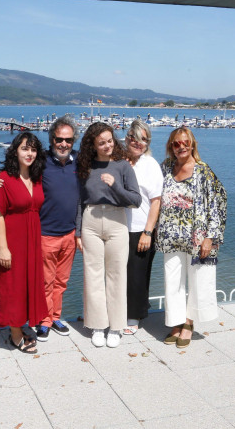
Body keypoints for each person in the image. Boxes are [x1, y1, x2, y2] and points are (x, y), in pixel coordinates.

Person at [0, 115, 79, 341]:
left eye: (68, 140)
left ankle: (53, 316)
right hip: (42, 235)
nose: (63, 144)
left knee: (60, 282)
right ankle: (42, 322)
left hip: (67, 233)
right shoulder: (32, 168)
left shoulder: (76, 162)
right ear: (51, 140)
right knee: (40, 282)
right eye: (59, 139)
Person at [157, 127, 226, 348]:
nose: (181, 147)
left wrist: (211, 237)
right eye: (176, 144)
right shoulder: (165, 167)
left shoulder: (203, 171)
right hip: (170, 236)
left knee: (197, 281)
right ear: (171, 146)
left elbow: (219, 202)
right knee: (173, 281)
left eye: (185, 142)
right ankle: (176, 323)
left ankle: (188, 323)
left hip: (196, 237)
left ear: (192, 144)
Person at [75, 122, 141, 348]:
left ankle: (116, 326)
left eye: (110, 141)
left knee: (116, 275)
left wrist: (115, 186)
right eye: (101, 142)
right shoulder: (85, 165)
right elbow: (79, 201)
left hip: (116, 221)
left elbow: (135, 200)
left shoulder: (123, 166)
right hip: (91, 220)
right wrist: (77, 232)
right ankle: (97, 325)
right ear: (92, 145)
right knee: (92, 275)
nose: (107, 146)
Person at [0, 132, 47, 353]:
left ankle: (22, 324)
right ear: (15, 150)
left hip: (32, 241)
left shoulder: (37, 178)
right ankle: (15, 334)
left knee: (28, 285)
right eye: (25, 148)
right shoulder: (4, 179)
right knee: (13, 286)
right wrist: (3, 248)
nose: (29, 153)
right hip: (12, 241)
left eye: (33, 149)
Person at [123, 120, 163, 335]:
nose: (139, 143)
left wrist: (148, 231)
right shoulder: (118, 160)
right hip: (117, 227)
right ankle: (119, 311)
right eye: (135, 138)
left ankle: (134, 315)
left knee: (137, 275)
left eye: (144, 140)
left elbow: (156, 200)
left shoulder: (151, 165)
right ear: (128, 137)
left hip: (140, 228)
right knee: (118, 273)